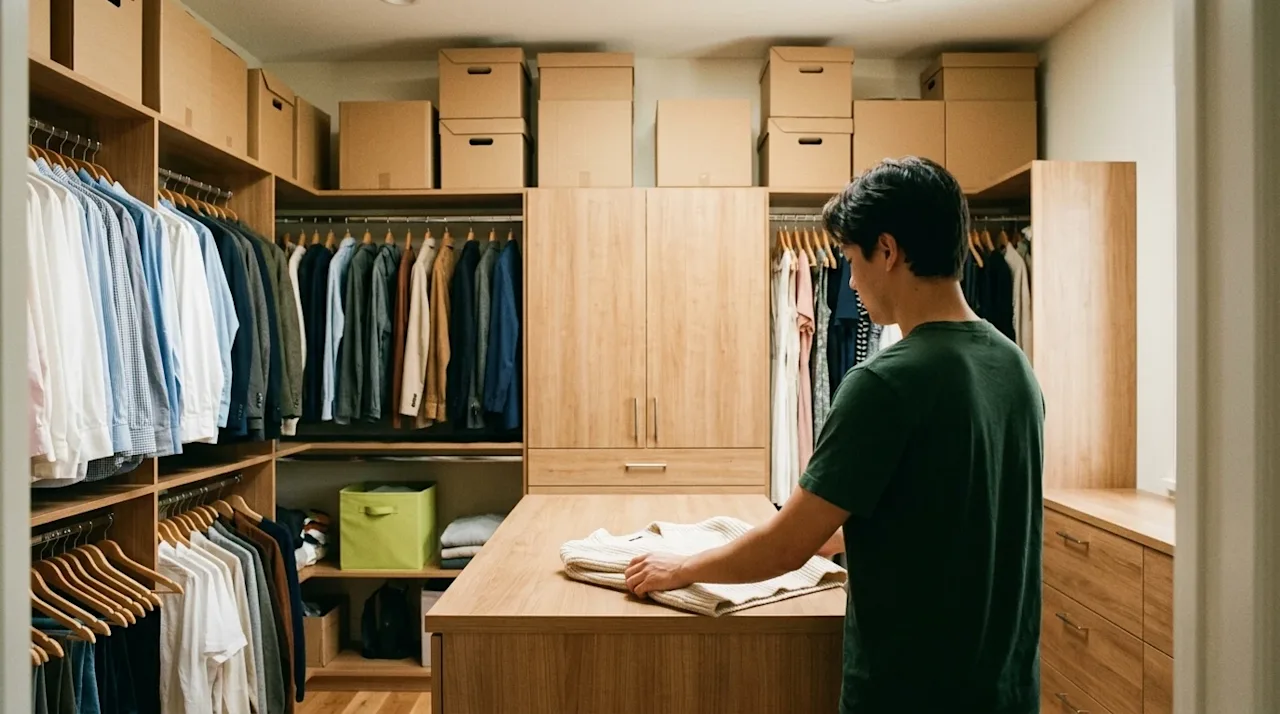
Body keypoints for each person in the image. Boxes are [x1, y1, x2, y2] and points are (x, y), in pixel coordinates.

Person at [624, 157, 1045, 714]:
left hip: (912, 692)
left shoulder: (885, 382)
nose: (849, 280)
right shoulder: (1015, 367)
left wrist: (677, 568)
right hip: (1007, 691)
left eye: (851, 259)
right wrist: (847, 531)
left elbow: (785, 547)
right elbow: (958, 511)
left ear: (888, 251)